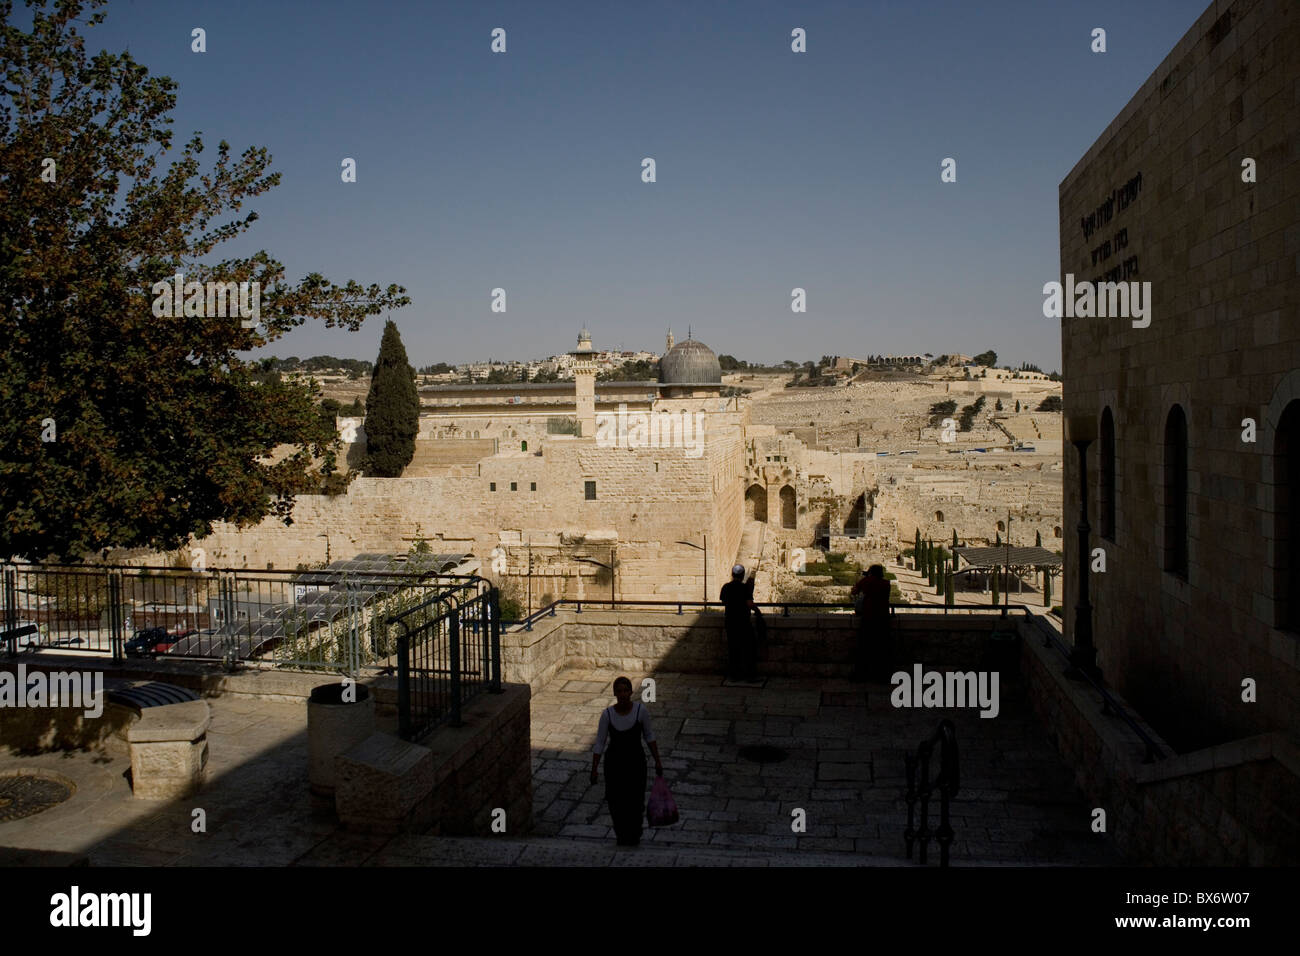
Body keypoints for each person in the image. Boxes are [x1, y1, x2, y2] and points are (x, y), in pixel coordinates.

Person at [590, 676, 663, 846]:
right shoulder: (607, 715)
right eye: (619, 691)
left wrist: (657, 761)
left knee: (635, 801)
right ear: (615, 693)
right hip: (614, 765)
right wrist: (594, 768)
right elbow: (599, 743)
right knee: (616, 801)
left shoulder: (640, 712)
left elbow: (649, 736)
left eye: (626, 690)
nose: (623, 694)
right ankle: (621, 835)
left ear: (631, 692)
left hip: (635, 763)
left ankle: (634, 834)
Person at [849, 564, 892, 681]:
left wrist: (864, 579)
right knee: (881, 649)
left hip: (869, 618)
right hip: (883, 619)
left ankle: (861, 675)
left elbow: (854, 592)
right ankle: (882, 676)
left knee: (864, 648)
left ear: (871, 573)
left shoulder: (867, 581)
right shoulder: (886, 584)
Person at [719, 564, 757, 681]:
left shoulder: (725, 587)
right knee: (748, 649)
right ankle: (749, 676)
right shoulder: (745, 588)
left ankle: (734, 675)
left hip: (730, 622)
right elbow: (749, 604)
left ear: (732, 574)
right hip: (743, 623)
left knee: (733, 649)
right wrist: (758, 611)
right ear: (742, 575)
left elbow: (724, 601)